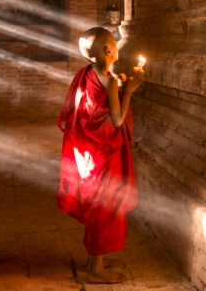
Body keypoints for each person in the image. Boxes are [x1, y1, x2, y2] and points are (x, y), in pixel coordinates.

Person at [57, 27, 145, 284]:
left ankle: (96, 259)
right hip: (104, 155)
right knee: (105, 207)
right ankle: (96, 269)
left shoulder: (84, 75)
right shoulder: (110, 81)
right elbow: (116, 121)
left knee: (97, 204)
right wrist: (128, 91)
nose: (117, 46)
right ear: (108, 50)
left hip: (88, 154)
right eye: (114, 43)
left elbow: (81, 114)